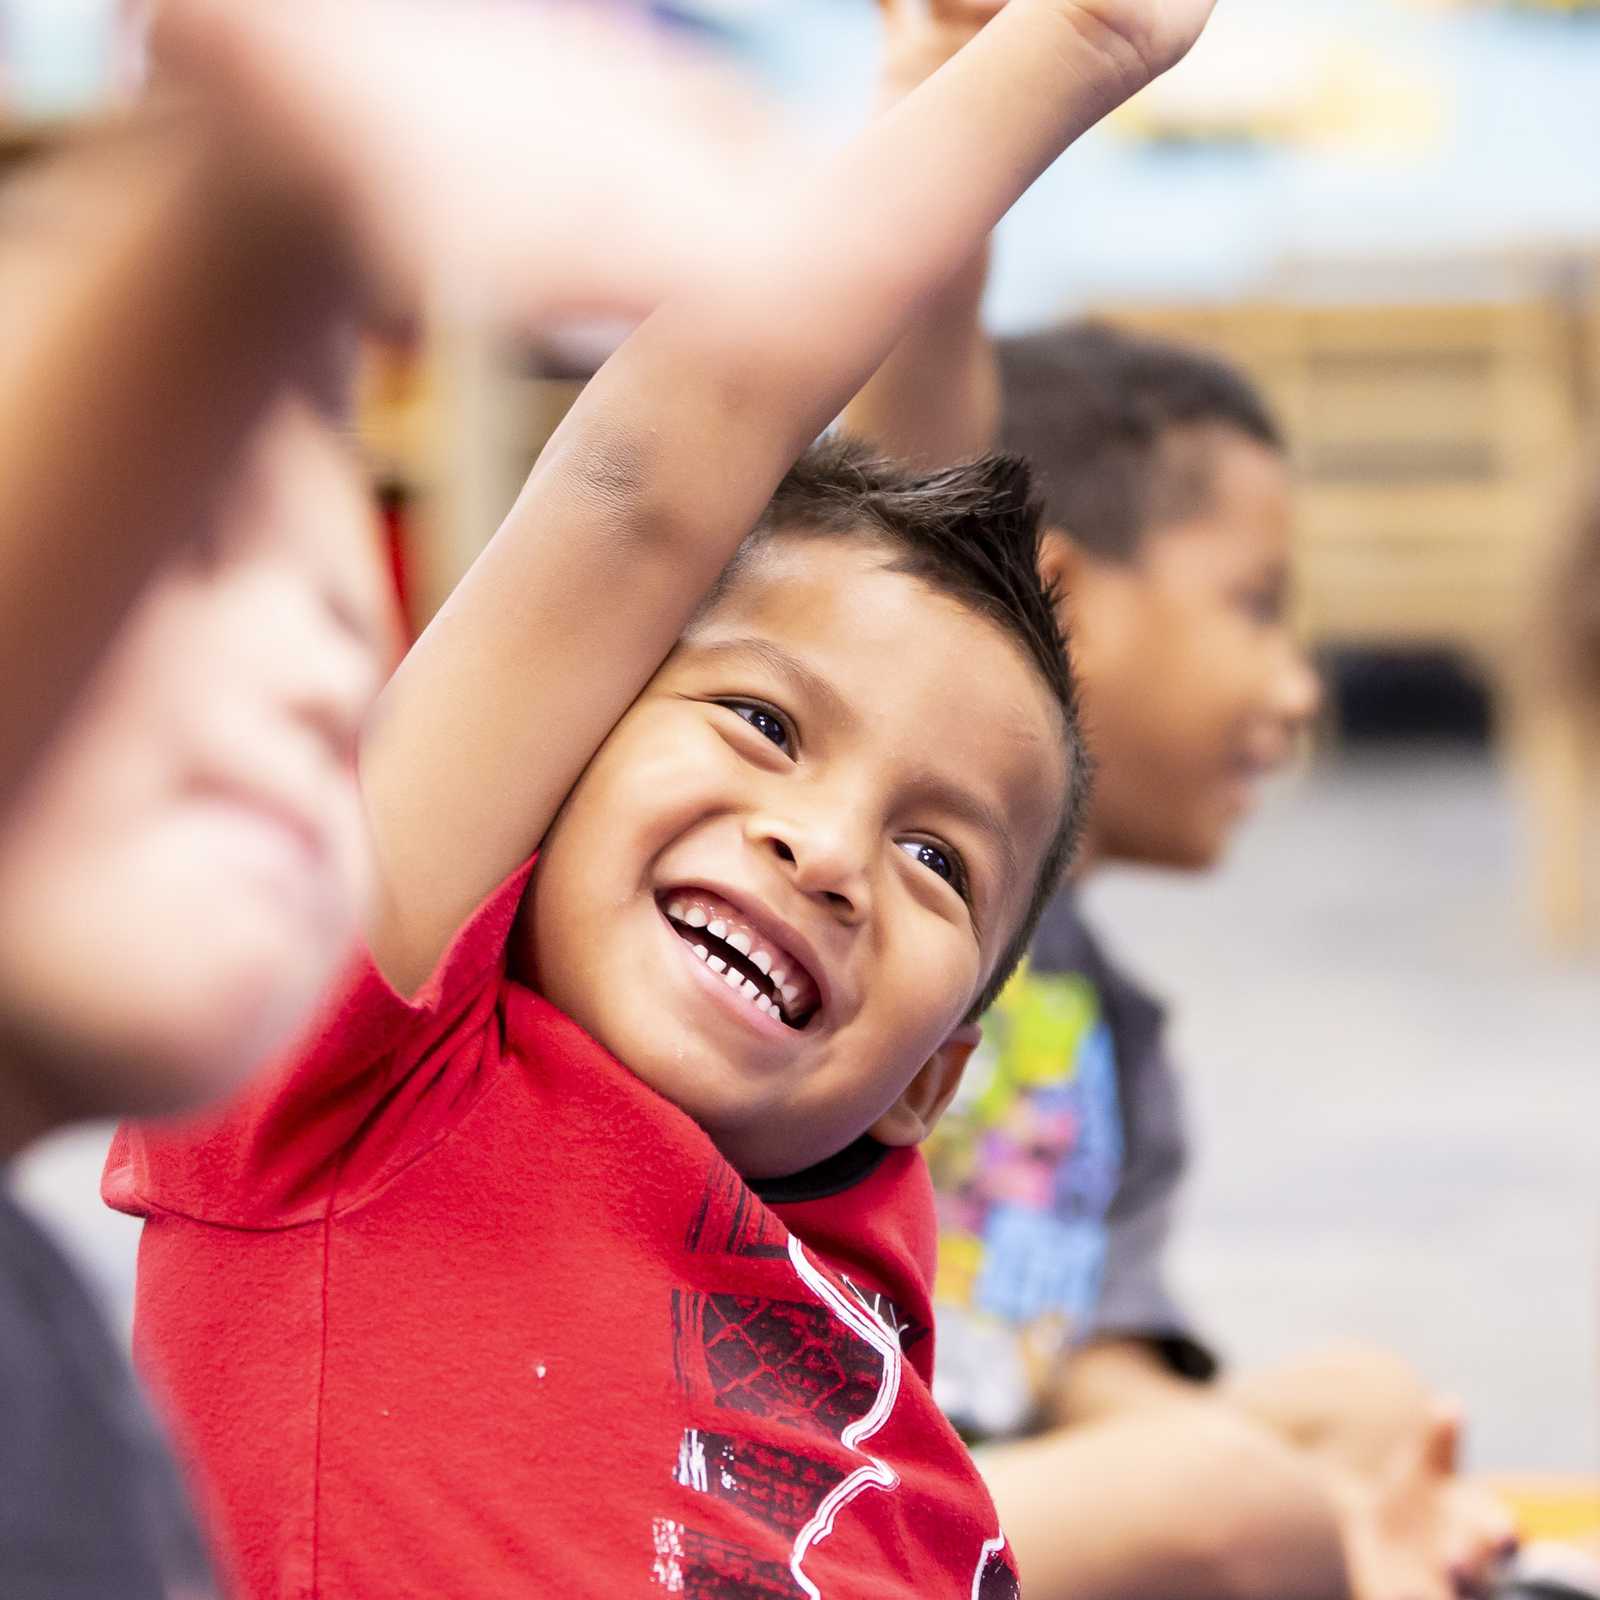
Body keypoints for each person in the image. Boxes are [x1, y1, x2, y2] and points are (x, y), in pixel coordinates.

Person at [107, 1, 1221, 1594]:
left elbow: (915, 603)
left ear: (931, 1081)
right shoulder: (359, 1089)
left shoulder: (848, 1248)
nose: (830, 847)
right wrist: (1070, 48)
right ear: (550, 767)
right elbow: (645, 490)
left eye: (934, 859)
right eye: (763, 723)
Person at [0, 2, 787, 1593]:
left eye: (345, 613)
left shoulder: (63, 1389)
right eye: (179, 550)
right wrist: (258, 216)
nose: (320, 678)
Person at [844, 9, 1523, 1598]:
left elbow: (1081, 1364)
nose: (1299, 688)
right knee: (1227, 1498)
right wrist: (951, 122)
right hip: (822, 1495)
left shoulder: (1102, 1031)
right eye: (1256, 608)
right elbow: (915, 467)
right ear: (1054, 599)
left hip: (988, 1477)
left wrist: (1306, 1464)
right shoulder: (889, 865)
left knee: (1346, 1411)